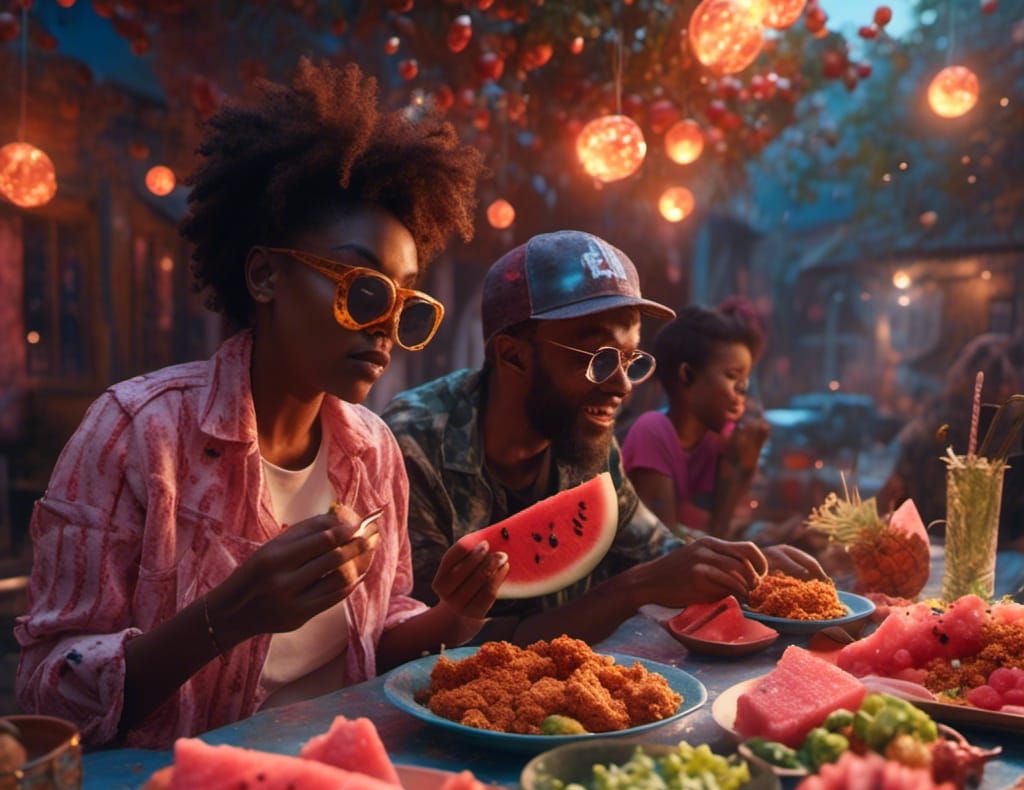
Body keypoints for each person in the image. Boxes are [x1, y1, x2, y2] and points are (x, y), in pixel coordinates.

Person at [15, 61, 509, 749]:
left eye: (405, 306)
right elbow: (47, 693)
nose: (385, 329)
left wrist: (453, 617)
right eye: (364, 291)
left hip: (342, 770)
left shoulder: (373, 450)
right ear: (265, 274)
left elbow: (376, 639)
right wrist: (229, 614)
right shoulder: (135, 434)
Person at [383, 230, 825, 645]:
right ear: (513, 355)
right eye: (598, 358)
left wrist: (744, 563)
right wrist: (633, 588)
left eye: (631, 359)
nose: (622, 387)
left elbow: (656, 553)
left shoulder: (583, 436)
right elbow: (435, 645)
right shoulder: (413, 446)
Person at [621, 303, 769, 537]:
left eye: (745, 380)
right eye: (732, 376)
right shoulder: (652, 431)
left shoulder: (717, 443)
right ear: (687, 375)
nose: (742, 390)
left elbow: (720, 534)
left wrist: (742, 469)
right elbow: (667, 549)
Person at [875, 331, 1024, 550]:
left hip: (929, 551)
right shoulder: (933, 428)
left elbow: (890, 494)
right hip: (948, 554)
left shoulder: (928, 424)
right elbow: (891, 495)